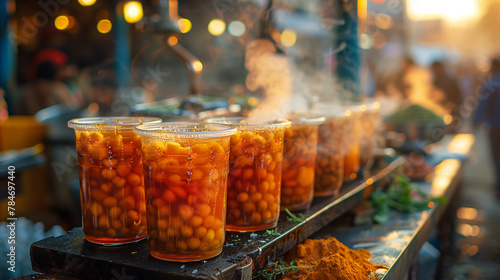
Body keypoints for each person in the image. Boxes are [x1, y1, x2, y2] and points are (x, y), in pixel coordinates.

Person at [474, 58, 500, 200]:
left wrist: (475, 124)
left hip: (496, 128)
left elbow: (482, 106)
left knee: (497, 157)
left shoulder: (492, 83)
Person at [431, 61, 463, 133]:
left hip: (452, 113)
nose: (436, 71)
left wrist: (452, 104)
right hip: (438, 115)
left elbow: (458, 98)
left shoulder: (451, 81)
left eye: (437, 69)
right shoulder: (434, 82)